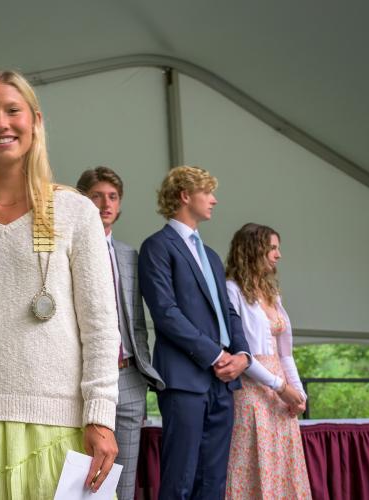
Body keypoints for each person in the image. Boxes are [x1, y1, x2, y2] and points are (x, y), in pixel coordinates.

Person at [0, 70, 120, 499]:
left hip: (59, 424)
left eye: (12, 110)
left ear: (36, 121)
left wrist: (100, 416)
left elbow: (100, 326)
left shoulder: (75, 210)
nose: (1, 123)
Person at [138, 166, 252, 500]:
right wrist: (216, 355)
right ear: (185, 195)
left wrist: (243, 356)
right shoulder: (157, 247)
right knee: (180, 479)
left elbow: (229, 312)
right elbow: (165, 313)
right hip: (184, 379)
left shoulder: (212, 257)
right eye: (208, 192)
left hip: (223, 381)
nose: (214, 200)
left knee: (214, 481)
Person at [76, 166, 165, 500]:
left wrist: (142, 372)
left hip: (128, 378)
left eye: (112, 197)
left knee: (123, 483)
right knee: (83, 478)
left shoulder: (129, 255)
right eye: (96, 196)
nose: (105, 203)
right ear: (83, 200)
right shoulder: (66, 249)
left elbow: (137, 323)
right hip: (84, 380)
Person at [224, 223, 311, 499]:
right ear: (253, 250)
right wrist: (280, 387)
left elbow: (285, 353)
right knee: (252, 463)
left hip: (279, 392)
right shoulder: (232, 290)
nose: (278, 255)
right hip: (252, 389)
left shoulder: (273, 295)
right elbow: (243, 353)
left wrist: (298, 393)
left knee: (284, 466)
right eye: (272, 248)